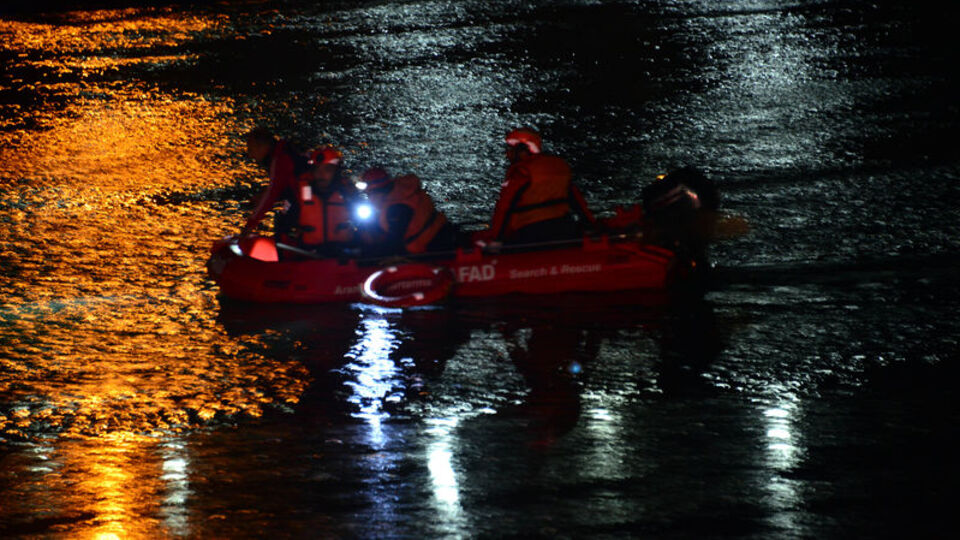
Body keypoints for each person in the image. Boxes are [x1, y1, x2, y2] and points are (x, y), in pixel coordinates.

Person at [476, 127, 596, 246]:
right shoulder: (558, 166)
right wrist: (590, 225)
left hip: (530, 231)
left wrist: (497, 239)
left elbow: (505, 207)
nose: (508, 154)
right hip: (564, 226)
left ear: (523, 151)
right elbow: (576, 200)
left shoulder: (521, 172)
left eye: (511, 150)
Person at [358, 167, 459, 257]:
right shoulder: (402, 193)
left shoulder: (397, 208)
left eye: (368, 195)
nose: (369, 199)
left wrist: (370, 257)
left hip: (428, 250)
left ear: (376, 193)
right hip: (440, 235)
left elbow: (394, 242)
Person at [240, 127, 310, 241]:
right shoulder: (286, 150)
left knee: (282, 224)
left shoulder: (279, 159)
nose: (251, 155)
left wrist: (250, 224)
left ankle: (286, 254)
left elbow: (272, 194)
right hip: (307, 197)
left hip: (304, 201)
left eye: (251, 149)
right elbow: (283, 185)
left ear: (262, 146)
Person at [294, 146, 361, 255]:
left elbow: (365, 223)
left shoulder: (348, 193)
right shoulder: (299, 191)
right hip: (308, 254)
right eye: (317, 169)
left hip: (343, 253)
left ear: (336, 172)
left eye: (327, 169)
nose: (321, 174)